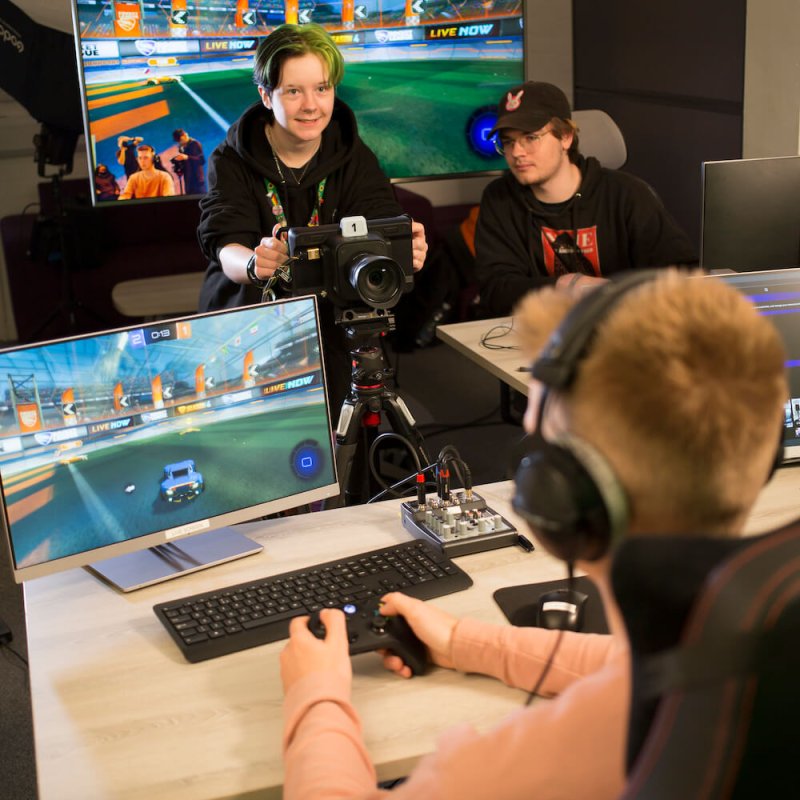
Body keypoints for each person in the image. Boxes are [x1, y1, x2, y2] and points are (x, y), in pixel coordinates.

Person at [278, 270, 787, 798]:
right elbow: (628, 665)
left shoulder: (523, 764)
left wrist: (317, 698)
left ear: (560, 495)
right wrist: (464, 641)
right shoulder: (746, 636)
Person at [197, 23, 427, 411]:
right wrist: (255, 263)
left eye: (322, 88)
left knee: (348, 444)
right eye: (293, 91)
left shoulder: (353, 153)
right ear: (266, 96)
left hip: (333, 318)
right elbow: (224, 244)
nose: (312, 105)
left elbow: (382, 217)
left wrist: (405, 248)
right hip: (252, 318)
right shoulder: (230, 158)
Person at [474, 81, 697, 317]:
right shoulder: (499, 199)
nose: (517, 152)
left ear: (566, 137)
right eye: (508, 142)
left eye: (531, 137)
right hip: (537, 336)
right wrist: (566, 286)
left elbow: (683, 274)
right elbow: (496, 291)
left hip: (625, 331)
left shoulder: (627, 194)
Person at [171, 128, 206, 194]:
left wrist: (187, 157)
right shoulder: (183, 147)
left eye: (179, 141)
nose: (179, 143)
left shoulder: (195, 144)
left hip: (197, 182)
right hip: (189, 182)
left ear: (183, 137)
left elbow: (202, 160)